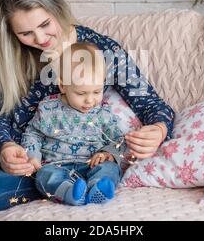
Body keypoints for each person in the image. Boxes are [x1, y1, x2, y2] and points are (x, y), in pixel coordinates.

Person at [0, 0, 175, 221]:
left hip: (38, 172)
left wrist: (158, 129)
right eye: (25, 33)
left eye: (44, 24)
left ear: (56, 8)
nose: (39, 39)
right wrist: (5, 147)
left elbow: (152, 104)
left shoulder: (100, 51)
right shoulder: (6, 60)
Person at [22, 42, 126, 206]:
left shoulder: (103, 113)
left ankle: (97, 188)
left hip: (92, 164)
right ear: (63, 86)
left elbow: (119, 140)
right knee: (44, 176)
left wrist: (108, 153)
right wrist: (33, 155)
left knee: (110, 168)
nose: (90, 100)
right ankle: (69, 192)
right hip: (57, 166)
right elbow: (32, 133)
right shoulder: (48, 108)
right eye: (81, 93)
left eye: (97, 91)